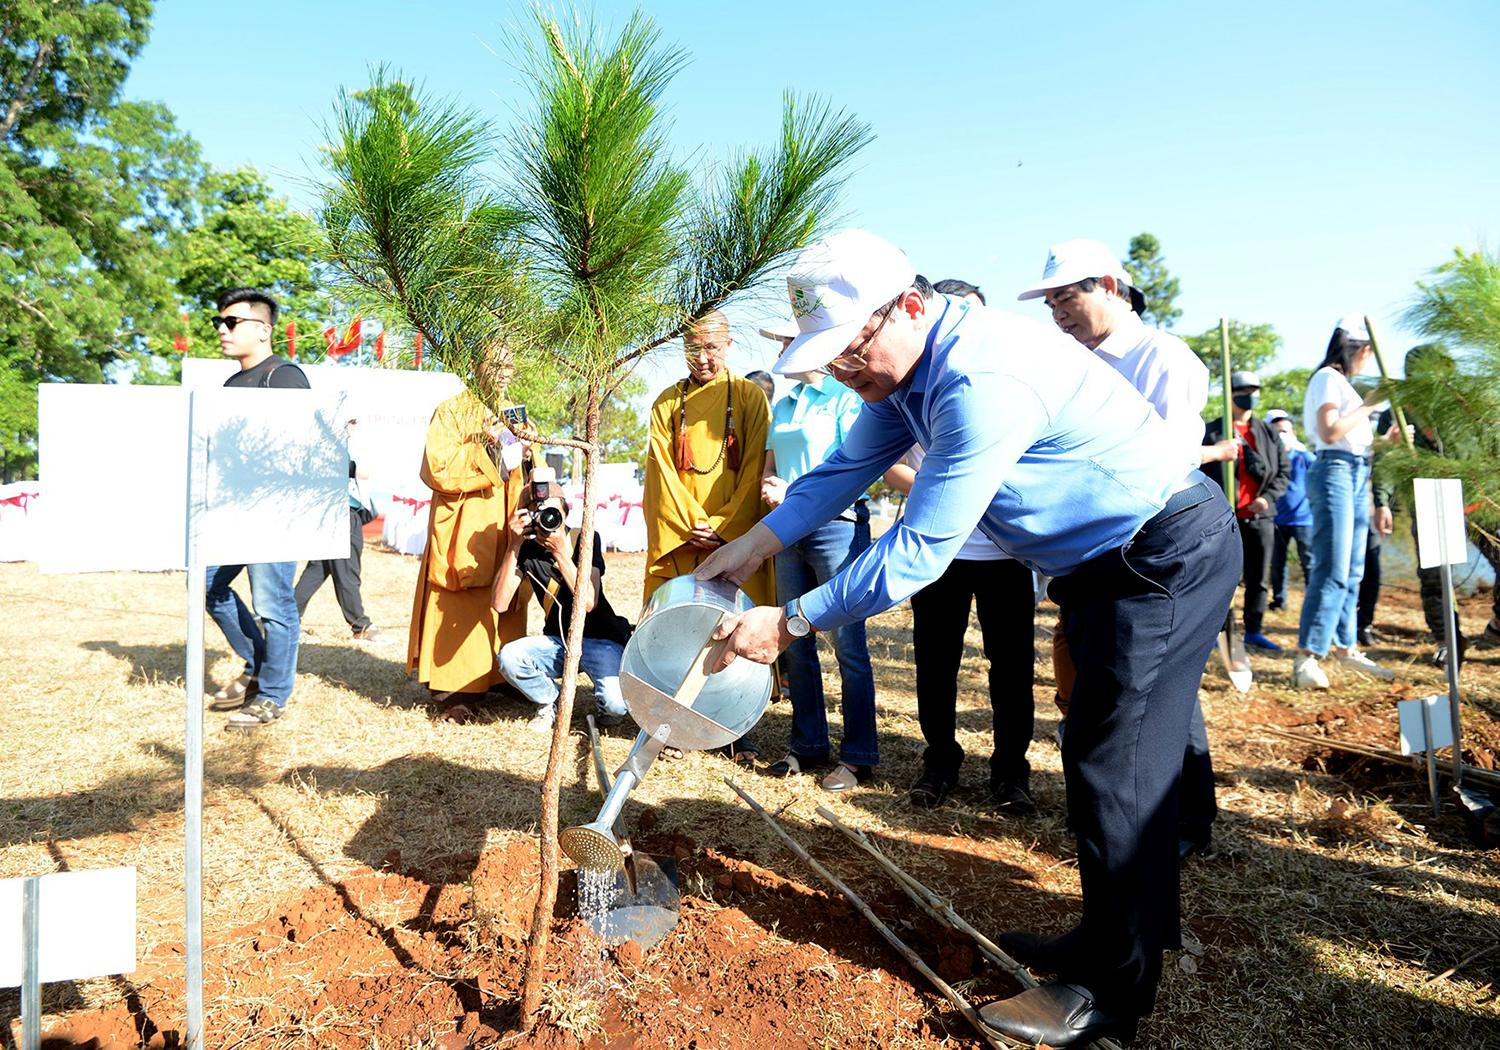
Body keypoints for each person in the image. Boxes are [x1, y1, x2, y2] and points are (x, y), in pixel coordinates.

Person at [697, 230, 1239, 1046]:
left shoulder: (981, 379)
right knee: (1113, 749)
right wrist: (755, 546)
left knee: (1117, 761)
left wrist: (793, 619)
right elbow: (840, 474)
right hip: (1103, 566)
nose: (845, 371)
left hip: (1159, 554)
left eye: (850, 351)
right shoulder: (901, 377)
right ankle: (1112, 938)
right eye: (831, 359)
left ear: (908, 308)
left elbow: (918, 550)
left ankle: (1110, 997)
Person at [1018, 240, 1218, 858]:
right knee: (1115, 681)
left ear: (1109, 285)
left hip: (1149, 544)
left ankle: (1186, 819)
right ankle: (1133, 815)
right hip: (1089, 551)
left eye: (1067, 297)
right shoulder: (1071, 362)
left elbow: (1173, 456)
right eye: (1050, 303)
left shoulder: (1162, 357)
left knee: (1157, 683)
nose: (1058, 313)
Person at [884, 278, 1037, 813]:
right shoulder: (913, 393)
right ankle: (940, 760)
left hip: (1006, 554)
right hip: (938, 553)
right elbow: (891, 463)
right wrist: (936, 491)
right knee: (935, 660)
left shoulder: (1005, 379)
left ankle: (1011, 772)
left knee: (1012, 664)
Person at [644, 310, 773, 761]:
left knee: (734, 630)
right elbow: (660, 476)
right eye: (693, 348)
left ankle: (736, 727)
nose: (703, 357)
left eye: (712, 347)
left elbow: (757, 467)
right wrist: (691, 524)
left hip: (736, 542)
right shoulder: (665, 404)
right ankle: (669, 727)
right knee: (676, 628)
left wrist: (724, 530)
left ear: (730, 345)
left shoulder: (751, 398)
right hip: (683, 536)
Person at [759, 321, 877, 792]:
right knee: (795, 638)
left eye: (789, 341)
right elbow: (770, 464)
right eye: (781, 343)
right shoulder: (782, 405)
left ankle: (858, 754)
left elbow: (854, 467)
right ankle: (806, 745)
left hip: (837, 527)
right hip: (789, 528)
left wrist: (797, 491)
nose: (784, 349)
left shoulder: (845, 397)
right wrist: (771, 486)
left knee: (848, 644)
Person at [407, 346, 530, 720]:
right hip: (468, 521)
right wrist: (487, 448)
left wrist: (529, 449)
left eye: (510, 363)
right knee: (462, 597)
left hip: (504, 518)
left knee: (507, 589)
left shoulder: (513, 412)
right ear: (475, 364)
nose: (504, 371)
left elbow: (521, 466)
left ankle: (501, 676)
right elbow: (437, 467)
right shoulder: (451, 410)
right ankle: (455, 689)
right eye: (496, 362)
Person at [204, 287, 309, 730]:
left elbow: (303, 449)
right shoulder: (231, 384)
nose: (222, 330)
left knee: (273, 604)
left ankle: (271, 695)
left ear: (263, 330)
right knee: (209, 587)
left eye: (232, 322)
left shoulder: (284, 376)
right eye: (219, 323)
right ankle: (259, 665)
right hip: (233, 514)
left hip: (275, 516)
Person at [1293, 318, 1399, 688]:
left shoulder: (1345, 387)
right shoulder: (1327, 378)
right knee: (1333, 568)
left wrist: (1387, 440)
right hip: (1334, 472)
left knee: (1353, 570)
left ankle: (1345, 647)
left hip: (1356, 472)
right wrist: (1369, 405)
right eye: (1368, 353)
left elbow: (1355, 441)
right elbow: (1329, 432)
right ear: (1360, 349)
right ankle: (1307, 657)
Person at [493, 499, 633, 732]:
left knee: (616, 706)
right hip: (558, 640)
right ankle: (550, 700)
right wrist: (513, 546)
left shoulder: (585, 538)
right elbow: (499, 603)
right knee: (510, 657)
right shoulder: (526, 549)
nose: (548, 519)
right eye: (541, 512)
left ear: (566, 513)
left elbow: (588, 601)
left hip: (601, 638)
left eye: (553, 512)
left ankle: (604, 708)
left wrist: (559, 551)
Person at [1202, 371, 1290, 651]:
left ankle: (1254, 629)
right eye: (1243, 389)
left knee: (1259, 577)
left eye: (1255, 389)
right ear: (1231, 394)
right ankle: (1219, 631)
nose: (1250, 394)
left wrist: (1267, 498)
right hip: (1224, 518)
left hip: (1261, 517)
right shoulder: (1212, 431)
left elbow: (1283, 472)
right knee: (1220, 578)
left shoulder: (1267, 433)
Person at [294, 438, 383, 643]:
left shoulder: (321, 441)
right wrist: (354, 467)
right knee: (346, 570)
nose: (354, 426)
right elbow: (359, 472)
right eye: (351, 421)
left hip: (330, 511)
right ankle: (361, 626)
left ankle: (288, 616)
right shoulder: (330, 444)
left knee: (318, 569)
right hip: (340, 513)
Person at [1266, 409, 1315, 611]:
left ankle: (1313, 603)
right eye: (1278, 432)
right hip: (1277, 519)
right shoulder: (1269, 459)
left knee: (1309, 564)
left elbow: (1321, 470)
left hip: (1305, 519)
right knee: (1277, 564)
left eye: (1286, 431)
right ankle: (1279, 601)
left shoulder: (1304, 457)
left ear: (1293, 433)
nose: (1283, 436)